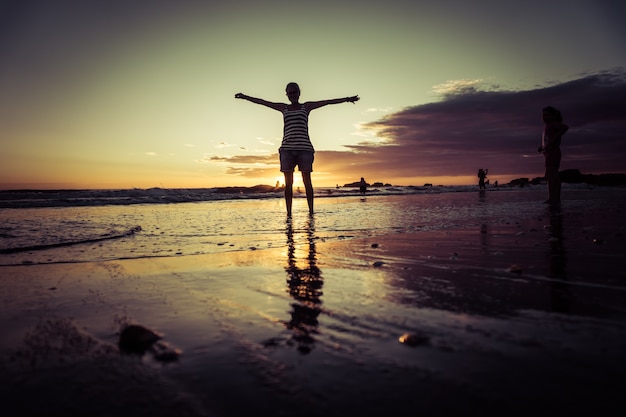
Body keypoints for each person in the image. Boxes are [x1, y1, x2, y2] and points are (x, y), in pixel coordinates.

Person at [236, 83, 359, 216]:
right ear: (287, 95)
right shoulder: (284, 108)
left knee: (307, 181)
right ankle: (289, 213)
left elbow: (327, 102)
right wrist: (245, 97)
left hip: (304, 149)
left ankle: (311, 212)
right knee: (288, 183)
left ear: (299, 93)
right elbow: (263, 102)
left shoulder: (306, 107)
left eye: (294, 92)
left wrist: (347, 99)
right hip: (287, 149)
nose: (292, 95)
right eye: (290, 93)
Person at [538, 106, 569, 206]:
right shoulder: (547, 127)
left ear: (553, 115)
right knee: (552, 175)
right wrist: (542, 147)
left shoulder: (553, 124)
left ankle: (553, 198)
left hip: (553, 153)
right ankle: (554, 198)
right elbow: (547, 140)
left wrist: (555, 138)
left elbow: (565, 128)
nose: (545, 117)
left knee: (551, 176)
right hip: (548, 153)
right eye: (543, 115)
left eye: (547, 115)